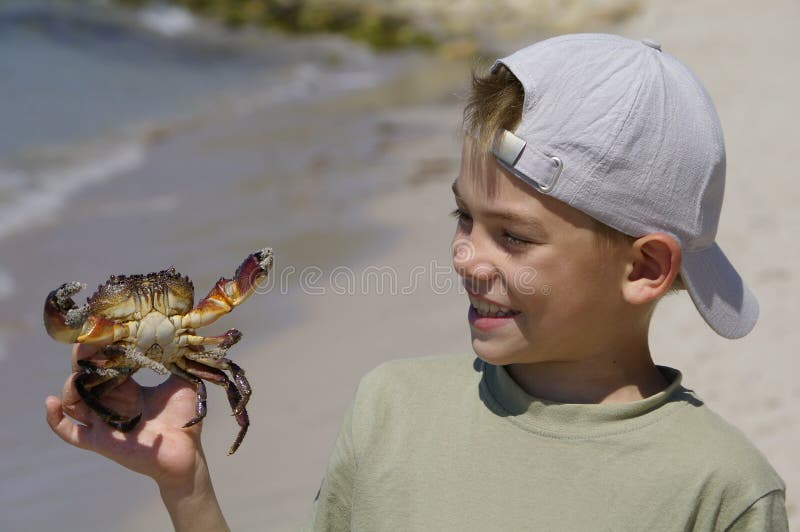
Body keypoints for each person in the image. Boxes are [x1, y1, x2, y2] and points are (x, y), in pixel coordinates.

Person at [46, 34, 788, 531]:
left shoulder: (721, 491)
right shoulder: (392, 409)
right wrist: (187, 489)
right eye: (462, 218)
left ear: (645, 269)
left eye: (512, 235)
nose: (466, 256)